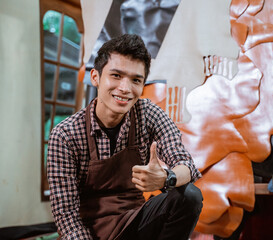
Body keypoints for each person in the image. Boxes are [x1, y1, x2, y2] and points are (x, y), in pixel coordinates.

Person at [47, 34, 203, 240]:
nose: (125, 88)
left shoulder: (148, 114)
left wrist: (167, 178)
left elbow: (187, 166)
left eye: (135, 80)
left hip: (135, 223)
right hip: (90, 233)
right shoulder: (65, 135)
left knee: (188, 196)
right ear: (95, 77)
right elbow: (67, 216)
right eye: (116, 76)